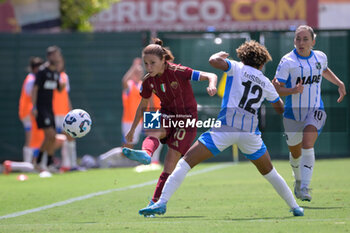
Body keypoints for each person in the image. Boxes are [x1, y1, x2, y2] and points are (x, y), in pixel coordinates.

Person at [139, 40, 304, 217]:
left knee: (185, 163)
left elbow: (213, 61)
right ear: (262, 64)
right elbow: (279, 109)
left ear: (242, 57)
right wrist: (279, 91)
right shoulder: (265, 82)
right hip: (250, 135)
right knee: (270, 173)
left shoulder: (236, 67)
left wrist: (219, 56)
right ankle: (295, 207)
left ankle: (161, 203)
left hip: (225, 130)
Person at [122, 38, 217, 209]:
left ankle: (156, 202)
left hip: (187, 119)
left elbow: (211, 74)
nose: (148, 67)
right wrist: (132, 129)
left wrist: (211, 85)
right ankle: (146, 153)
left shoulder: (178, 71)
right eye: (146, 63)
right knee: (153, 128)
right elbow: (142, 105)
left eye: (152, 63)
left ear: (163, 61)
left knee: (170, 162)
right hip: (167, 113)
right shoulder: (148, 80)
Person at [272, 25, 346, 201]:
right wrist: (292, 90)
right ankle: (298, 180)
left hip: (315, 109)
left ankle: (305, 187)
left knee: (307, 142)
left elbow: (324, 69)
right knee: (295, 154)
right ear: (294, 41)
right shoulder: (287, 61)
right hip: (292, 115)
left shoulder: (320, 57)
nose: (301, 42)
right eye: (298, 38)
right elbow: (276, 90)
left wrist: (339, 83)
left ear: (313, 41)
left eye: (305, 39)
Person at [31, 45, 65, 173]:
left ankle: (45, 163)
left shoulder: (55, 72)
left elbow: (59, 89)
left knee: (52, 137)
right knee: (50, 135)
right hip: (41, 108)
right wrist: (34, 107)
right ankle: (41, 162)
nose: (57, 57)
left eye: (58, 55)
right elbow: (35, 89)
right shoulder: (42, 71)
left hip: (50, 109)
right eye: (55, 55)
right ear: (49, 56)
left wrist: (62, 81)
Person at [53, 54, 77, 172]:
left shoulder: (64, 76)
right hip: (53, 112)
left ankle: (71, 164)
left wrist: (70, 111)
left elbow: (65, 95)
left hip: (64, 112)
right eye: (56, 62)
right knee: (54, 139)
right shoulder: (50, 76)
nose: (59, 64)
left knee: (70, 137)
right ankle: (48, 163)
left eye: (60, 62)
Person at [18, 57, 44, 163]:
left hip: (29, 112)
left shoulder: (32, 78)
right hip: (28, 112)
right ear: (34, 68)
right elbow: (32, 95)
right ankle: (28, 163)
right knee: (30, 138)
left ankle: (32, 162)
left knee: (35, 138)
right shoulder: (32, 79)